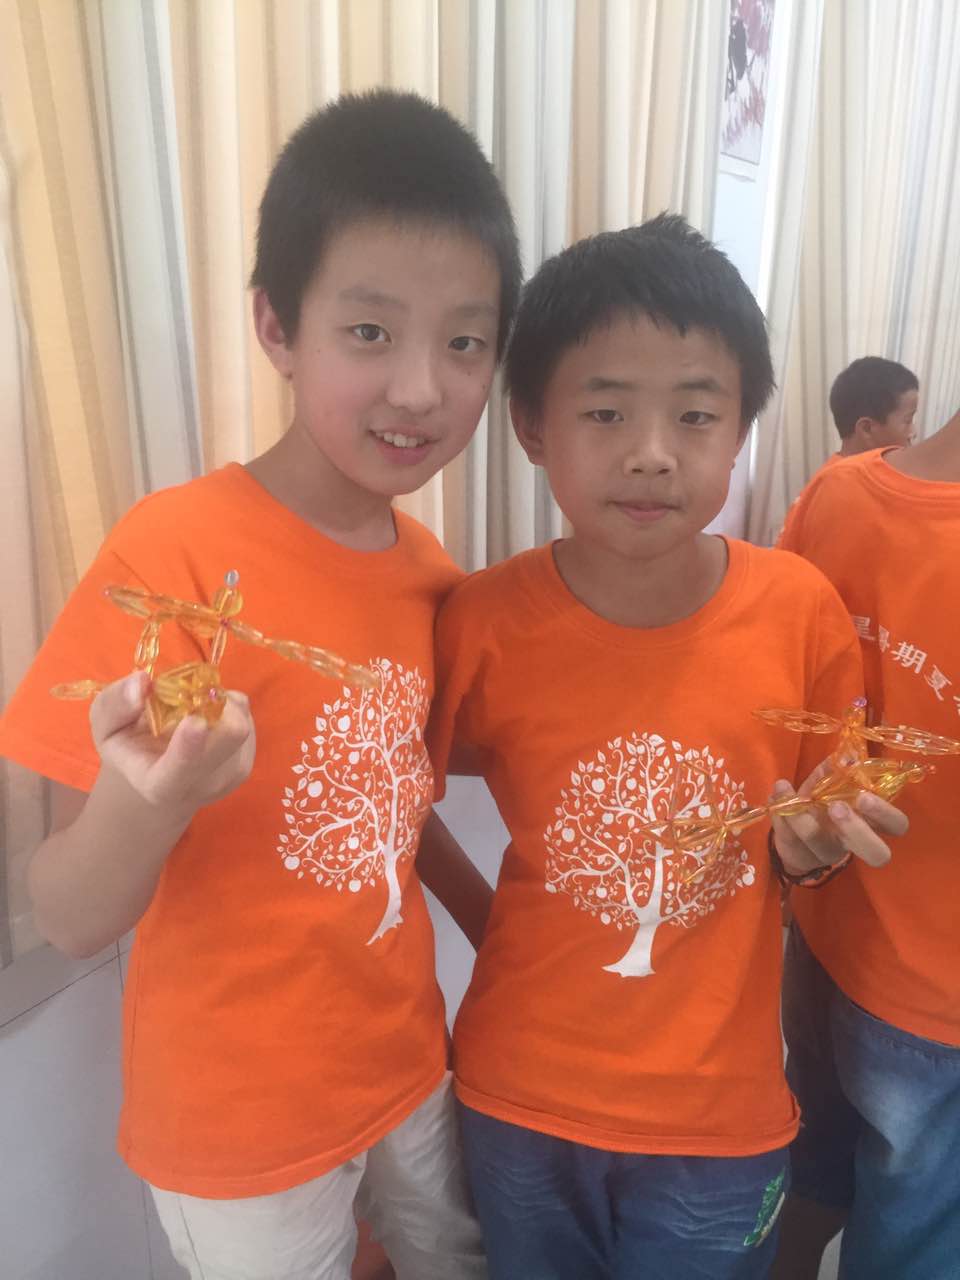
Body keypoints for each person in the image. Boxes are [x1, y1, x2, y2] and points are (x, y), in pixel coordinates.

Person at [0, 89, 520, 1280]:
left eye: (465, 342)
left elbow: (393, 800)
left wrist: (494, 926)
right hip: (238, 1121)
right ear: (277, 326)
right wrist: (157, 798)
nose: (421, 389)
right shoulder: (171, 555)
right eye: (370, 331)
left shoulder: (428, 573)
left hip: (406, 1059)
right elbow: (71, 912)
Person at [427, 215, 907, 1280]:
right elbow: (396, 787)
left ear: (739, 433)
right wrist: (483, 915)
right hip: (518, 1094)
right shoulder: (483, 621)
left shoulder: (799, 610)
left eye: (695, 414)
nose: (652, 451)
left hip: (718, 1118)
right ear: (532, 425)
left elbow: (811, 835)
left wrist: (810, 851)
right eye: (606, 411)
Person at [773, 408, 960, 1280]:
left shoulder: (839, 492)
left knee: (808, 1171)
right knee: (909, 1245)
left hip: (826, 934)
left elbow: (780, 686)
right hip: (936, 999)